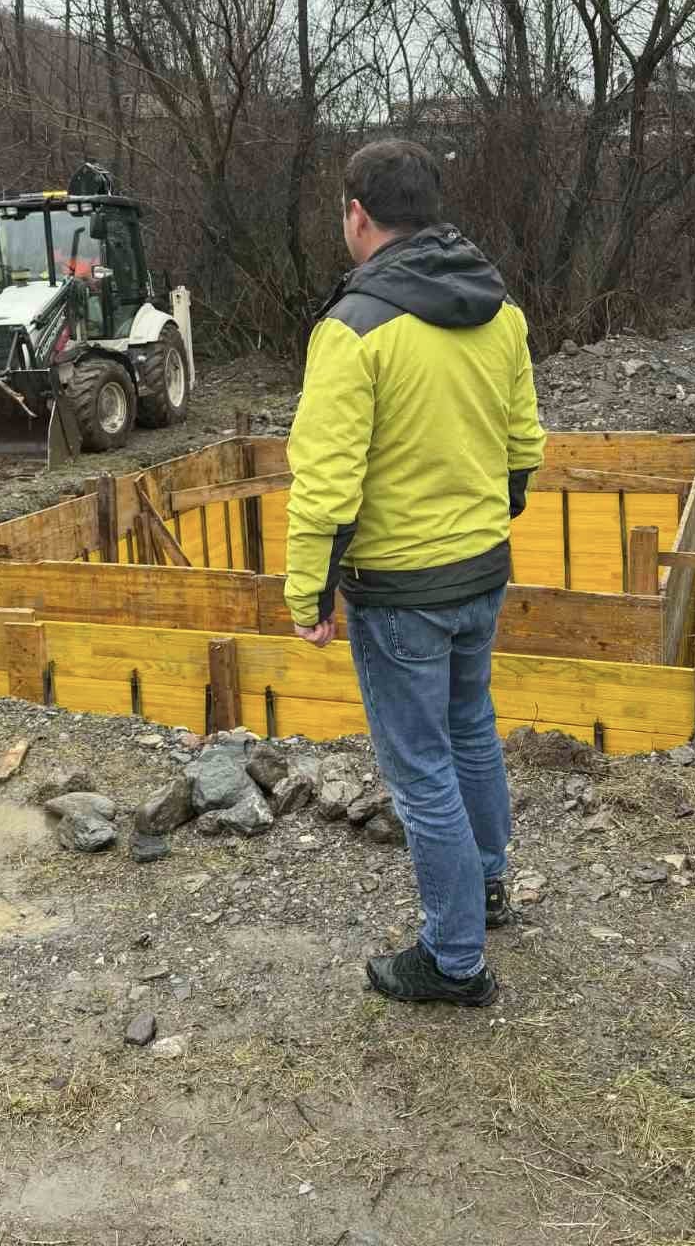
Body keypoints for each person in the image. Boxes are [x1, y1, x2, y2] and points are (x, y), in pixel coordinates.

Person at [284, 140, 546, 1007]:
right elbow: (521, 448)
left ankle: (455, 956)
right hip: (478, 572)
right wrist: (482, 524)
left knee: (421, 767)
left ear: (358, 214)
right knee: (470, 729)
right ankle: (490, 882)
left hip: (401, 590)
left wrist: (309, 593)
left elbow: (326, 482)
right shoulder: (496, 309)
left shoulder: (354, 329)